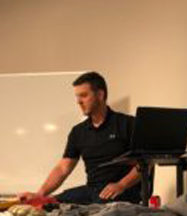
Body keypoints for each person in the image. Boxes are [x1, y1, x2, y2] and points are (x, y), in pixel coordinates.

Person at [18, 72, 142, 204]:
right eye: (77, 97)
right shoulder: (78, 132)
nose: (78, 101)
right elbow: (63, 168)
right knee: (50, 203)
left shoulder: (129, 124)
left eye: (83, 95)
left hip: (122, 192)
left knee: (99, 205)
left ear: (100, 95)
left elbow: (146, 163)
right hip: (92, 190)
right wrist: (39, 195)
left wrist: (121, 185)